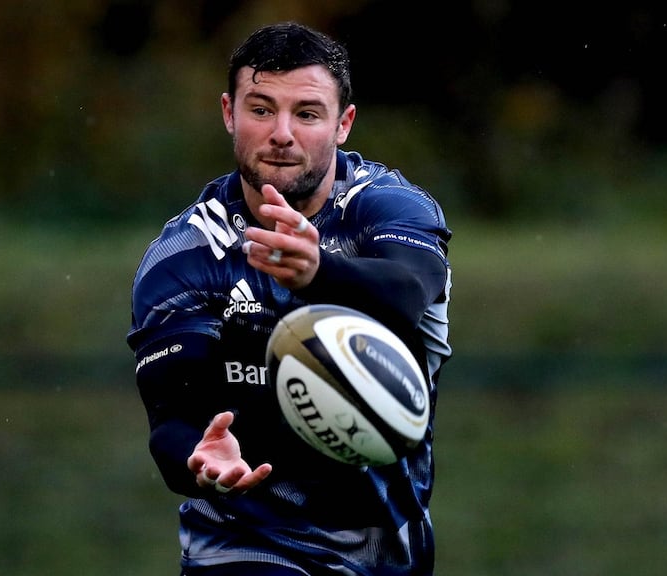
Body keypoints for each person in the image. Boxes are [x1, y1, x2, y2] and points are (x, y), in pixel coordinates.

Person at [127, 21, 452, 576]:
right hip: (243, 540)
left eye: (306, 113)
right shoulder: (185, 254)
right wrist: (199, 460)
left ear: (342, 124)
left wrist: (319, 273)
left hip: (387, 545)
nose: (282, 133)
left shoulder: (389, 210)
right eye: (261, 109)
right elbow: (172, 418)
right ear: (229, 113)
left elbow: (409, 292)